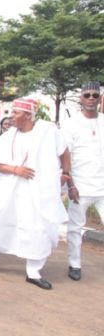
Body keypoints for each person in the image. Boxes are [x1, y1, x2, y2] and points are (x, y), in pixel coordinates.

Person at [0, 98, 70, 290]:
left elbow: (64, 152)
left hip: (40, 193)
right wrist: (15, 170)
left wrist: (66, 173)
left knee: (38, 229)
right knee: (0, 222)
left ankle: (33, 272)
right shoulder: (9, 135)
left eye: (15, 113)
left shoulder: (48, 131)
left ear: (28, 115)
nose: (11, 117)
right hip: (11, 191)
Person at [63, 82, 104, 281]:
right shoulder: (71, 124)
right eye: (87, 95)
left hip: (103, 187)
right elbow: (65, 155)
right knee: (75, 228)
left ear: (99, 99)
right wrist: (70, 185)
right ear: (80, 98)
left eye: (95, 95)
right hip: (80, 187)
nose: (90, 99)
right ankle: (74, 264)